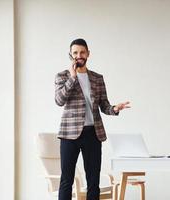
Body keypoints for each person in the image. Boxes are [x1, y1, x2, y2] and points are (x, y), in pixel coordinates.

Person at [55, 38, 130, 200]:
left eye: (82, 52)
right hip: (69, 135)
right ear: (70, 55)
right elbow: (59, 100)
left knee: (93, 180)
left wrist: (115, 109)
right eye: (75, 53)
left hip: (93, 134)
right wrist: (73, 78)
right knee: (66, 180)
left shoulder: (97, 78)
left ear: (88, 54)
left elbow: (104, 105)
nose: (79, 55)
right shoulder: (62, 76)